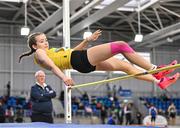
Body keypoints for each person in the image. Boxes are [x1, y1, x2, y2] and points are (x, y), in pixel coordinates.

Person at [19, 30, 179, 89]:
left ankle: (159, 82)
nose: (45, 43)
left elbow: (72, 52)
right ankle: (156, 70)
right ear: (34, 46)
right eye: (41, 42)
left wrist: (87, 41)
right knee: (121, 45)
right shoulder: (39, 54)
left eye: (45, 40)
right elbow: (53, 66)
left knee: (125, 66)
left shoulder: (50, 51)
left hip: (79, 61)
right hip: (79, 60)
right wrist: (64, 78)